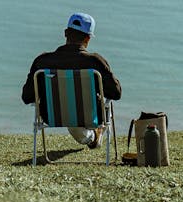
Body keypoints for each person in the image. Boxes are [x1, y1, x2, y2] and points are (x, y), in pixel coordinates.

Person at [21, 13, 122, 148]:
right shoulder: (95, 62)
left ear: (65, 33)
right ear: (88, 38)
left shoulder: (42, 61)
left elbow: (27, 97)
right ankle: (95, 135)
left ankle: (92, 137)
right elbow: (116, 93)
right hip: (91, 116)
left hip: (52, 117)